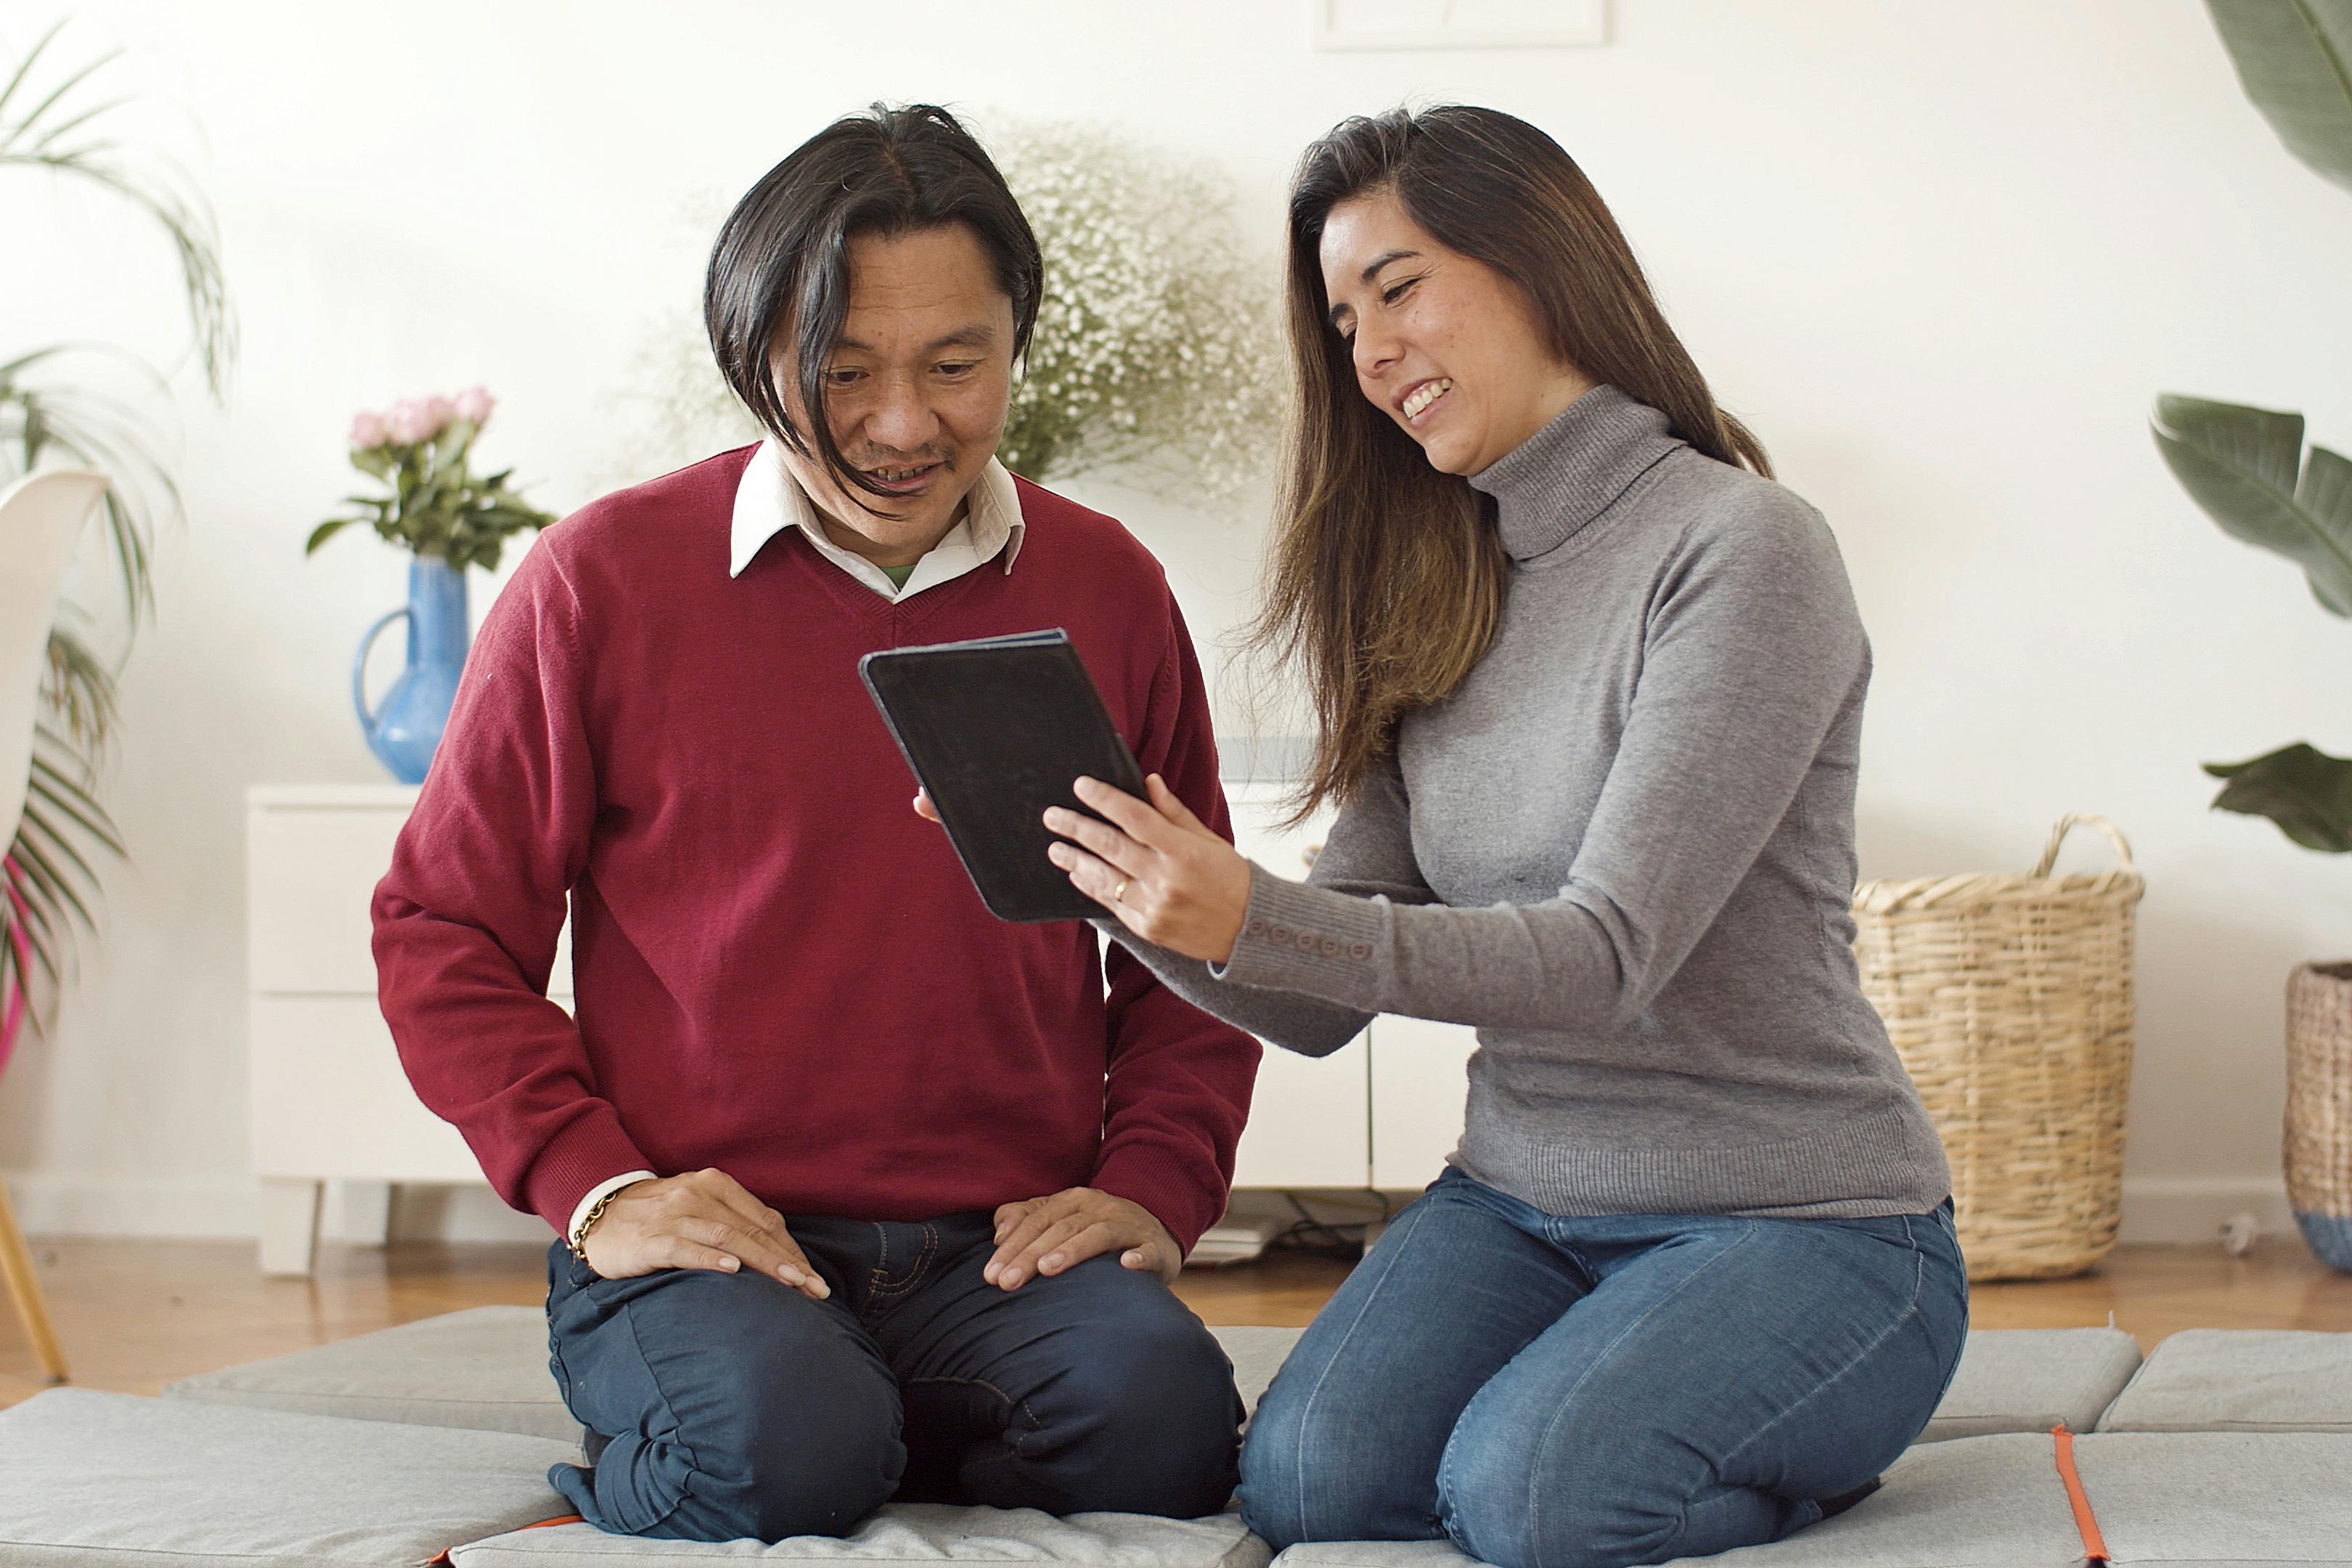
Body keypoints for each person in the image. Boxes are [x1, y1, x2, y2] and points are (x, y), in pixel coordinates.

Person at [1017, 105, 1969, 1568]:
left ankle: (1787, 1444)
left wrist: (1244, 912)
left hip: (1806, 1219)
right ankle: (1621, 1393)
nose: (1373, 350)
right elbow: (1321, 1005)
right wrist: (1109, 881)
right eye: (1344, 322)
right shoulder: (1435, 590)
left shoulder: (1741, 549)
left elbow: (1608, 959)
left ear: (1541, 263)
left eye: (1400, 287)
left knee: (1533, 1501)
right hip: (1523, 1204)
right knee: (1309, 1486)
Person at [372, 103, 1259, 1545]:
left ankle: (869, 1429)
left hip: (1000, 1250)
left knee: (1164, 1430)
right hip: (710, 1244)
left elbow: (1192, 943)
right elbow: (441, 930)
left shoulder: (1107, 588)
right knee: (782, 1450)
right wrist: (600, 1192)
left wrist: (1152, 1189)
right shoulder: (601, 579)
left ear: (1017, 345)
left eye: (956, 366)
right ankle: (718, 1453)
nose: (905, 426)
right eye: (842, 373)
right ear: (750, 354)